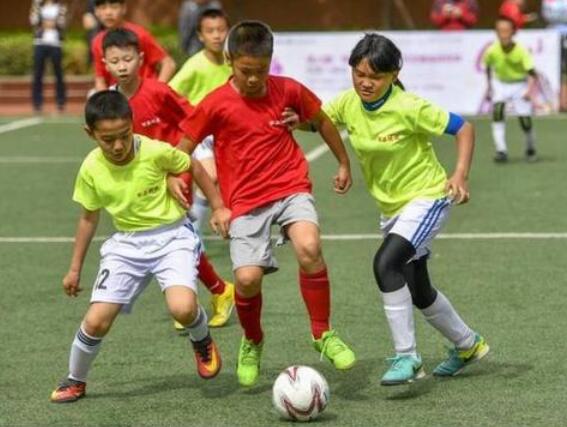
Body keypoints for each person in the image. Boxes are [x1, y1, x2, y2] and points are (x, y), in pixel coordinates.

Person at [171, 21, 356, 387]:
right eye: (246, 71)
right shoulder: (215, 103)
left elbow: (322, 121)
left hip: (290, 185)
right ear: (230, 61)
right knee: (246, 278)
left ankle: (322, 333)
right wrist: (214, 201)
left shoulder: (288, 89)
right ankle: (253, 340)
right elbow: (183, 151)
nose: (255, 79)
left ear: (271, 60)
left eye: (261, 70)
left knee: (309, 246)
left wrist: (343, 162)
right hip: (244, 200)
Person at [299, 33, 488, 385]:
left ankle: (407, 356)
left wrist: (460, 174)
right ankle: (468, 345)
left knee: (385, 264)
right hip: (392, 209)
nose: (365, 83)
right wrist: (285, 119)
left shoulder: (409, 106)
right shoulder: (348, 103)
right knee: (418, 290)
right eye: (359, 74)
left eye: (375, 76)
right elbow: (316, 121)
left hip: (427, 197)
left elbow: (464, 128)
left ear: (394, 74)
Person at [49, 90, 230, 403]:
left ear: (132, 123)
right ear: (90, 134)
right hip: (127, 245)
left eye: (124, 135)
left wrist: (218, 206)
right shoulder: (91, 168)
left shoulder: (155, 150)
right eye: (108, 140)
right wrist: (74, 268)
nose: (118, 145)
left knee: (183, 308)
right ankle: (75, 379)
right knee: (95, 321)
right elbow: (88, 218)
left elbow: (193, 165)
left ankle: (202, 340)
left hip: (172, 237)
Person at [102, 28, 235, 329]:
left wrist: (181, 169)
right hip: (146, 180)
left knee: (174, 234)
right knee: (174, 234)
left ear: (141, 59)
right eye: (115, 61)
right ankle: (219, 290)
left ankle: (199, 297)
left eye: (127, 59)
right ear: (104, 63)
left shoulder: (158, 91)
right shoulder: (110, 101)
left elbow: (193, 120)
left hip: (175, 169)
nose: (122, 66)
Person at [169, 8, 231, 238]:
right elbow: (169, 94)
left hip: (226, 131)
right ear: (200, 35)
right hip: (201, 132)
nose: (216, 35)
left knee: (228, 180)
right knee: (210, 176)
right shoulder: (194, 65)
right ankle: (193, 229)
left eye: (221, 30)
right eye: (210, 31)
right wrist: (190, 116)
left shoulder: (232, 61)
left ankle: (196, 223)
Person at [484, 17, 538, 163]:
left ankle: (530, 147)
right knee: (497, 111)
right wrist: (489, 87)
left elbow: (532, 73)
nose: (503, 34)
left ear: (513, 32)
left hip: (519, 84)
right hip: (500, 83)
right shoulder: (491, 50)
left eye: (506, 31)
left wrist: (529, 91)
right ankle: (501, 150)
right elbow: (488, 68)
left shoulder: (522, 50)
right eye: (500, 31)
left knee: (525, 120)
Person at [91, 0, 176, 92]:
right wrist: (104, 98)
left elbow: (168, 63)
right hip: (119, 96)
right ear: (96, 11)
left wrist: (157, 90)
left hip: (145, 93)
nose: (108, 13)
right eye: (103, 8)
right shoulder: (97, 41)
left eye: (114, 7)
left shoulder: (139, 34)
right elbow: (100, 78)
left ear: (123, 8)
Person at [29, 0, 67, 113]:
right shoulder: (38, 6)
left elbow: (62, 23)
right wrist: (36, 6)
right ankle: (37, 103)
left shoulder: (60, 7)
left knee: (58, 73)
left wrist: (52, 23)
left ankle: (60, 102)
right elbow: (33, 21)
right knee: (38, 73)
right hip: (40, 43)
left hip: (56, 44)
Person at [542, 0, 567, 111]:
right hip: (551, 36)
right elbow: (547, 14)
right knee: (556, 70)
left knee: (565, 72)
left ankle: (564, 102)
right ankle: (557, 101)